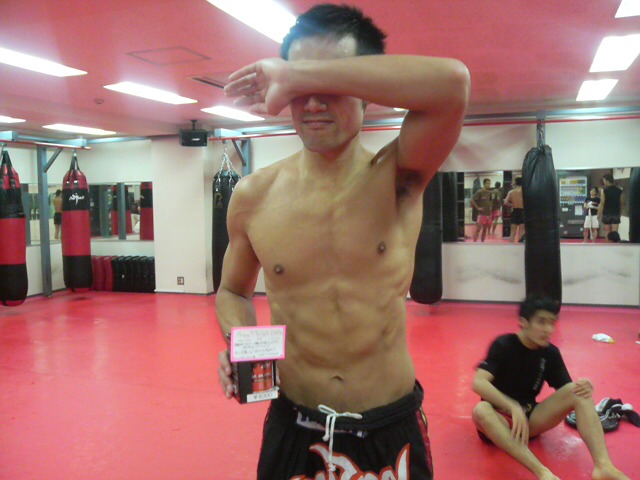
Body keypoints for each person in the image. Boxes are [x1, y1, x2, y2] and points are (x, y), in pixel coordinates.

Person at [216, 4, 470, 479]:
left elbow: (452, 85)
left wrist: (294, 75)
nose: (313, 102)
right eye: (300, 88)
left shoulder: (399, 177)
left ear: (366, 93)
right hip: (294, 427)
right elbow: (233, 291)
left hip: (389, 429)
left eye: (332, 83)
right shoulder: (253, 196)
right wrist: (240, 342)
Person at [471, 294, 629, 480]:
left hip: (530, 420)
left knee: (578, 391)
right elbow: (479, 382)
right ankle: (543, 473)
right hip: (499, 420)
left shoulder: (550, 353)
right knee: (481, 410)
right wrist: (511, 406)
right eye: (541, 322)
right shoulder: (503, 345)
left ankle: (603, 466)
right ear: (523, 322)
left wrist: (584, 386)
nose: (548, 329)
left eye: (552, 323)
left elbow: (568, 390)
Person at [599, 174, 624, 240]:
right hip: (616, 213)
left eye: (604, 180)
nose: (603, 182)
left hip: (606, 213)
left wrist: (599, 214)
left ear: (607, 180)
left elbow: (602, 203)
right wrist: (620, 213)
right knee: (615, 233)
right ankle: (614, 245)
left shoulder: (604, 190)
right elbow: (621, 203)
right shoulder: (619, 190)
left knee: (607, 232)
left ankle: (608, 245)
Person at [505, 176, 525, 243]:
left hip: (515, 211)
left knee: (512, 233)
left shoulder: (511, 192)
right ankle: (520, 246)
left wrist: (512, 205)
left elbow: (506, 202)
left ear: (515, 182)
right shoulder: (524, 191)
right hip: (522, 211)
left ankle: (510, 247)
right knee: (521, 232)